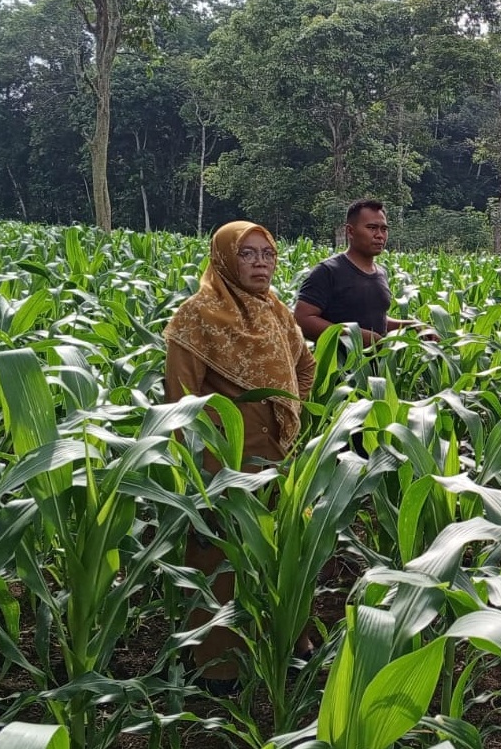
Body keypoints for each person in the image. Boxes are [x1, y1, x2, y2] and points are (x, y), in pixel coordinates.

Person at [164, 220, 316, 691]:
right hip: (222, 462)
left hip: (277, 455)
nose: (260, 264)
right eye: (247, 254)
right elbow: (179, 399)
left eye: (266, 254)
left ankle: (287, 643)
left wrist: (289, 410)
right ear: (226, 258)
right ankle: (217, 666)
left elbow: (304, 365)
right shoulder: (197, 316)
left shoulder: (273, 309)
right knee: (221, 561)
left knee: (281, 551)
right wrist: (199, 464)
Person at [294, 198, 431, 345]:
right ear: (350, 231)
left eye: (384, 229)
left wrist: (411, 325)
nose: (380, 235)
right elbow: (302, 319)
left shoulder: (381, 273)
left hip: (377, 366)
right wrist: (354, 335)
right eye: (372, 228)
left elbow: (377, 320)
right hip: (339, 366)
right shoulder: (328, 271)